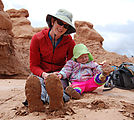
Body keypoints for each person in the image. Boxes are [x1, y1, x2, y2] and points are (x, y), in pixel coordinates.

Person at [24, 9, 76, 112]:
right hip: (40, 73)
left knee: (59, 86)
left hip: (58, 74)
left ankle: (56, 102)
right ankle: (37, 102)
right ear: (53, 21)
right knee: (37, 83)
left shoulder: (70, 42)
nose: (61, 28)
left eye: (65, 26)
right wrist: (44, 75)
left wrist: (61, 74)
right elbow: (34, 65)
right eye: (60, 23)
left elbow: (71, 64)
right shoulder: (37, 38)